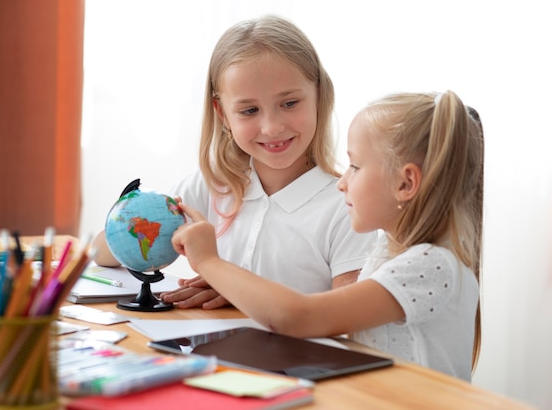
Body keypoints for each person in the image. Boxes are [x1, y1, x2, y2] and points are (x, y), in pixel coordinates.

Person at [171, 90, 484, 382]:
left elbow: (299, 317)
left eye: (355, 166)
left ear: (406, 183)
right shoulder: (391, 254)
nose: (342, 182)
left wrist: (209, 261)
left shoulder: (430, 265)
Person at [92, 15, 377, 309]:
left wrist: (236, 289)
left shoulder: (348, 208)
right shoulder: (209, 187)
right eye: (249, 110)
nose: (272, 127)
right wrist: (128, 216)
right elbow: (101, 253)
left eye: (289, 103)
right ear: (223, 114)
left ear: (320, 95)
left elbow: (347, 322)